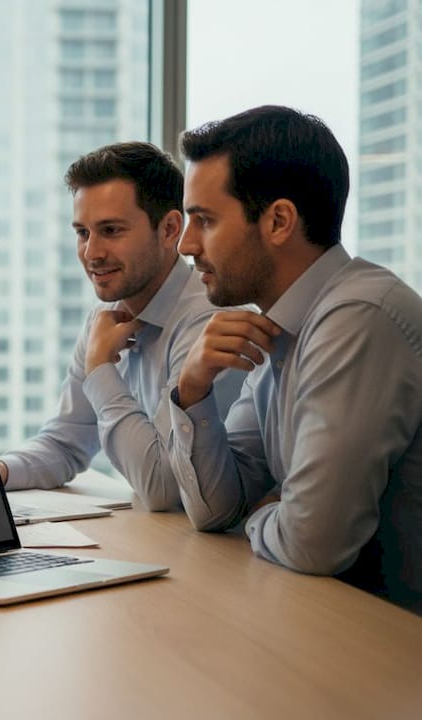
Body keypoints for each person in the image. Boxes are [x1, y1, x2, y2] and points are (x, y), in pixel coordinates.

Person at [170, 105, 422, 613]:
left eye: (205, 220)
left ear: (279, 221)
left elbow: (312, 543)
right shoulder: (278, 327)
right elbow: (217, 508)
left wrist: (262, 516)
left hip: (395, 651)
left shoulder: (357, 316)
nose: (185, 244)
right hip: (337, 625)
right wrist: (191, 389)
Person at [0, 142, 244, 510]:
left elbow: (164, 487)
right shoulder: (106, 315)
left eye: (111, 230)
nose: (91, 253)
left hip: (228, 551)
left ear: (169, 229)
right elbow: (66, 443)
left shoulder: (209, 322)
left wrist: (99, 369)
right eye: (82, 233)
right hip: (166, 539)